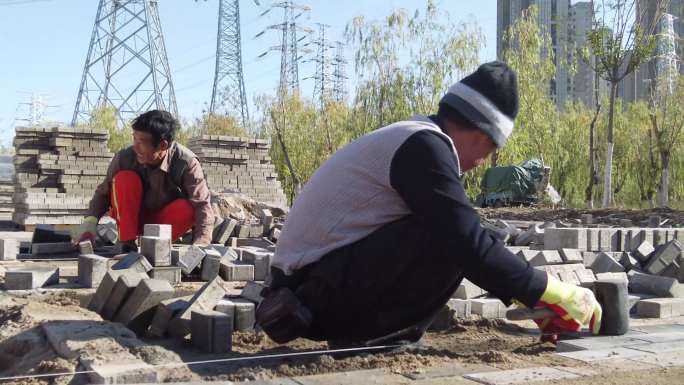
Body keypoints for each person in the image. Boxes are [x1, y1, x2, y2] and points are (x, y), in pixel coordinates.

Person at [256, 61, 602, 346]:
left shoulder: (415, 137)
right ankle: (377, 340)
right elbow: (465, 242)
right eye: (490, 152)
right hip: (307, 298)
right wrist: (551, 290)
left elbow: (470, 239)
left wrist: (536, 302)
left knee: (466, 233)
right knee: (450, 237)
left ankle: (378, 335)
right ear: (482, 136)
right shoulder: (424, 147)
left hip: (311, 287)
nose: (482, 162)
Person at [76, 110, 214, 250]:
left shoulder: (186, 163)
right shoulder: (125, 158)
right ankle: (127, 243)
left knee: (188, 207)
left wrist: (202, 242)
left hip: (164, 223)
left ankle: (156, 248)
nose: (135, 147)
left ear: (163, 145)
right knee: (124, 180)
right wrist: (89, 224)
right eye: (134, 138)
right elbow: (103, 194)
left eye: (141, 142)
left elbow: (202, 204)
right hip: (132, 220)